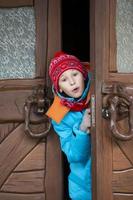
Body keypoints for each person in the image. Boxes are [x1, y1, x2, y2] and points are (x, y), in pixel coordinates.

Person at [46, 51, 91, 200]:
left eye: (75, 74)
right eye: (64, 79)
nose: (72, 82)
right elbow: (74, 155)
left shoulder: (100, 94)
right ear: (59, 87)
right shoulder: (59, 115)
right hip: (83, 186)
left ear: (83, 75)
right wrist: (82, 128)